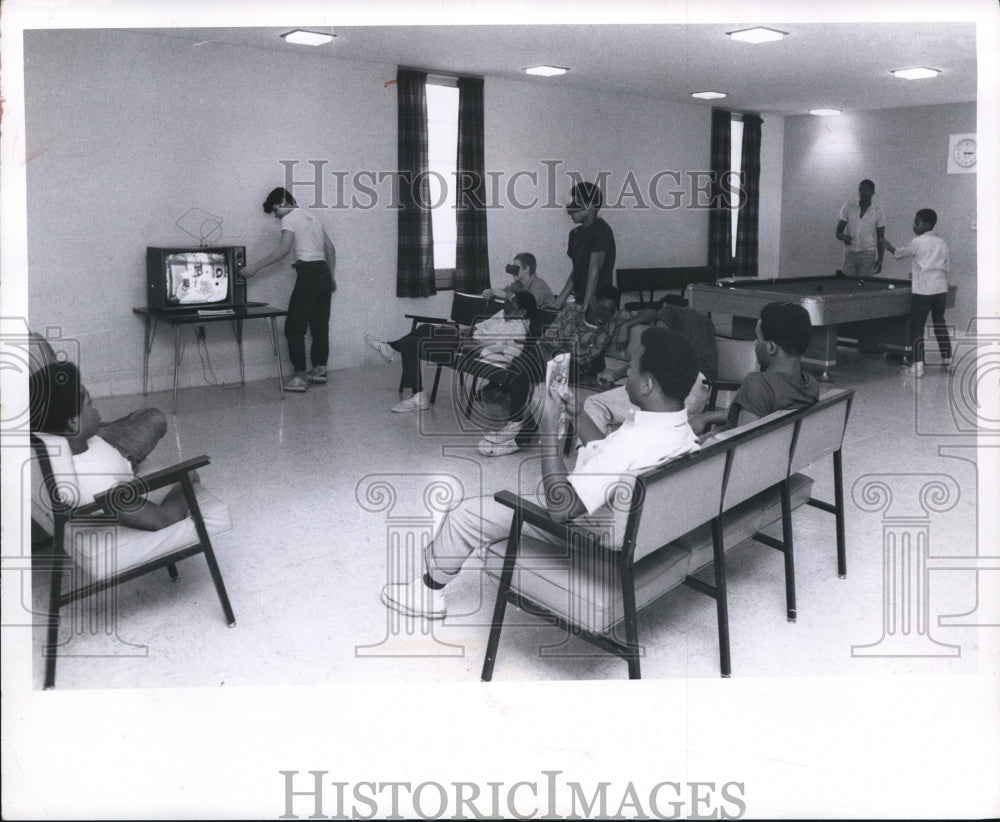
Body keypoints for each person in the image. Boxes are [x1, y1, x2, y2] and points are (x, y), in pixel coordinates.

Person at [381, 326, 701, 620]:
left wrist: (549, 429)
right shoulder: (677, 430)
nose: (626, 374)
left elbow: (561, 508)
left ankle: (427, 590)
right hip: (631, 531)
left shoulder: (633, 441)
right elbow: (613, 457)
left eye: (631, 368)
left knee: (466, 514)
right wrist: (577, 415)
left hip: (585, 537)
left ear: (646, 384)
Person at [30, 361, 191, 531]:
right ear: (74, 422)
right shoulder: (96, 484)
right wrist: (187, 481)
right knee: (154, 418)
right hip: (120, 452)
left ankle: (100, 427)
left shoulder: (60, 436)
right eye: (90, 404)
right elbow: (163, 520)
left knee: (150, 417)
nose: (96, 407)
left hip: (96, 440)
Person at [367, 291, 537, 413]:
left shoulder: (518, 331)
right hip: (463, 339)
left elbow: (507, 358)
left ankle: (419, 395)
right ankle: (390, 349)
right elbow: (483, 325)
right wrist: (469, 330)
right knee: (425, 328)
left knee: (411, 344)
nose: (506, 307)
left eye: (511, 305)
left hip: (466, 350)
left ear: (522, 312)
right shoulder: (504, 314)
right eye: (507, 302)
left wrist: (475, 348)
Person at [577, 300, 719, 445]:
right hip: (699, 395)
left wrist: (616, 374)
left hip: (673, 389)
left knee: (595, 404)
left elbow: (653, 351)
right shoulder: (706, 322)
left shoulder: (669, 309)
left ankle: (589, 460)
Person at [242, 187, 337, 393]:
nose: (276, 217)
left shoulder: (290, 218)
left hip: (308, 273)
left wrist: (255, 267)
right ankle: (319, 370)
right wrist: (331, 278)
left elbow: (283, 250)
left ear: (283, 201)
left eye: (275, 211)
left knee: (294, 327)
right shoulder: (313, 217)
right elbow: (330, 250)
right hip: (323, 272)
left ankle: (300, 376)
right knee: (319, 325)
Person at [28, 330, 167, 469]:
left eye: (53, 355)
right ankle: (126, 460)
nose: (56, 361)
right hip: (81, 440)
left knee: (145, 417)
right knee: (155, 418)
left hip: (84, 433)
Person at [688, 301, 820, 439]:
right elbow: (759, 407)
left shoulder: (758, 384)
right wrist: (708, 418)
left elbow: (744, 447)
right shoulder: (810, 386)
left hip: (724, 457)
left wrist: (709, 438)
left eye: (758, 338)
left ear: (771, 348)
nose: (755, 343)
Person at [884, 208, 952, 377]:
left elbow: (900, 254)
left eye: (917, 222)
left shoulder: (918, 241)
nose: (914, 225)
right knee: (939, 323)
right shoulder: (942, 242)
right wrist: (919, 272)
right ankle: (948, 362)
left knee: (917, 326)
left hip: (923, 290)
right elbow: (946, 267)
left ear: (927, 224)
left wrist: (889, 247)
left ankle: (918, 367)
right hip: (941, 288)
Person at [553, 181, 616, 312]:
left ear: (590, 206)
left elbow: (595, 270)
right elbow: (576, 272)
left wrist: (586, 308)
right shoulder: (575, 234)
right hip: (580, 299)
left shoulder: (601, 230)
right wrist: (558, 302)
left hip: (598, 303)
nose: (570, 211)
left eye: (576, 204)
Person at [835, 179, 886, 277]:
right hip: (850, 252)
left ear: (873, 192)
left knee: (864, 284)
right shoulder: (848, 207)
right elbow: (838, 233)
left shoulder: (878, 211)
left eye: (866, 189)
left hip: (868, 253)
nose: (862, 192)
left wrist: (880, 260)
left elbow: (881, 238)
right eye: (860, 189)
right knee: (848, 285)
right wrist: (844, 237)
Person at [482, 252, 556, 309]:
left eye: (516, 268)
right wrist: (491, 294)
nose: (513, 271)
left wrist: (505, 295)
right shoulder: (518, 284)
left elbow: (528, 305)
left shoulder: (539, 285)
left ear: (526, 269)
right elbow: (504, 292)